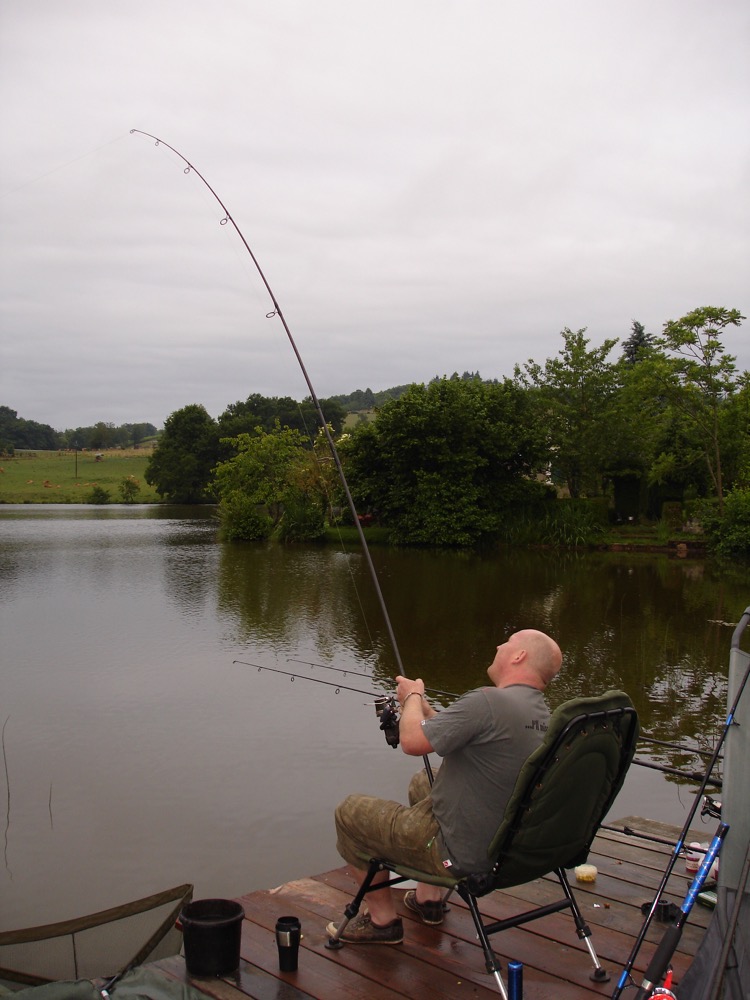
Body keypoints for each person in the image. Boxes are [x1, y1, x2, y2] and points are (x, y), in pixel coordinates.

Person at [326, 628, 563, 944]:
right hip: (510, 847)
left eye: (508, 642)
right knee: (424, 780)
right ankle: (430, 901)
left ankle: (382, 922)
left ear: (519, 656)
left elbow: (412, 741)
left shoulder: (487, 701)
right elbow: (463, 736)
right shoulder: (542, 713)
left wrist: (411, 697)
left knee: (351, 812)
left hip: (463, 854)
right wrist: (423, 709)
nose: (499, 644)